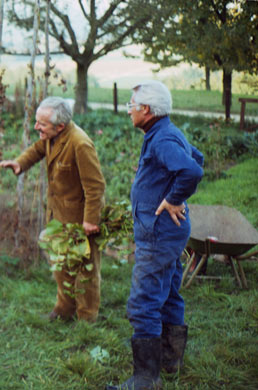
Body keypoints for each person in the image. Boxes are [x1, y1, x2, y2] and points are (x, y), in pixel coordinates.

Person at [105, 81, 204, 390]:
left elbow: (192, 170)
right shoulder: (164, 132)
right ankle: (169, 361)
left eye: (131, 106)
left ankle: (146, 378)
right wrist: (172, 194)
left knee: (144, 299)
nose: (129, 111)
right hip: (167, 233)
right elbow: (197, 157)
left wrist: (174, 199)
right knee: (169, 291)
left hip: (159, 234)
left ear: (145, 110)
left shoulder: (161, 138)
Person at [0, 97, 106, 322]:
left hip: (81, 219)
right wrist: (20, 163)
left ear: (60, 126)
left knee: (85, 270)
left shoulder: (80, 143)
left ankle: (87, 318)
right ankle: (64, 309)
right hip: (58, 216)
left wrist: (91, 220)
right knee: (60, 263)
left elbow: (95, 185)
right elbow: (38, 149)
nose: (36, 127)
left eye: (42, 124)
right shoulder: (51, 137)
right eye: (37, 122)